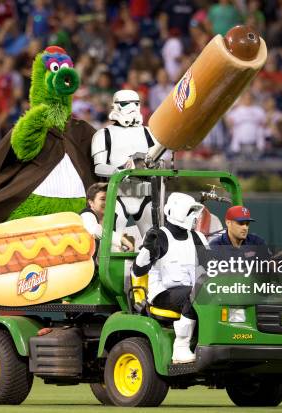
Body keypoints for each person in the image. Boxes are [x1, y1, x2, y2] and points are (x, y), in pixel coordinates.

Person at [132, 192, 208, 364]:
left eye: (194, 212)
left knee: (208, 291)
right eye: (190, 212)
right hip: (162, 294)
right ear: (178, 212)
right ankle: (180, 347)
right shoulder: (158, 237)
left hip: (192, 291)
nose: (194, 217)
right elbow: (138, 270)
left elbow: (212, 266)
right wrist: (147, 249)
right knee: (196, 293)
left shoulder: (197, 237)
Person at [91, 90, 157, 235]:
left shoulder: (148, 132)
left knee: (155, 244)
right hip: (118, 194)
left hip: (145, 194)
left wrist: (147, 165)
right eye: (127, 103)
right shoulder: (104, 134)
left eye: (136, 103)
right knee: (112, 242)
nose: (132, 107)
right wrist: (121, 171)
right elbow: (99, 167)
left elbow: (156, 161)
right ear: (116, 106)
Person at [80, 182, 134, 260]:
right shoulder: (86, 215)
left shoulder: (112, 217)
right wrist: (121, 240)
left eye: (110, 199)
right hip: (85, 267)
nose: (107, 202)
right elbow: (95, 231)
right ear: (91, 202)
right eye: (103, 199)